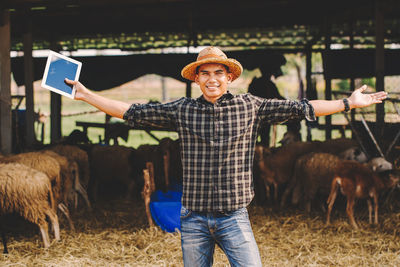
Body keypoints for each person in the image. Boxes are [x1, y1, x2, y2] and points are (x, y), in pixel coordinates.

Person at [65, 46, 387, 267]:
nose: (212, 79)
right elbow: (132, 113)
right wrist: (85, 94)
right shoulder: (183, 110)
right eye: (204, 73)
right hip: (193, 220)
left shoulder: (250, 107)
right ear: (196, 78)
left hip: (234, 217)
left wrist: (348, 103)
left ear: (229, 77)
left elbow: (302, 108)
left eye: (218, 72)